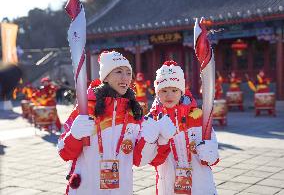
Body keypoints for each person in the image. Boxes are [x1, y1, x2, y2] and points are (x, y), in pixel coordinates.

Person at [57, 51, 176, 195]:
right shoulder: (86, 108)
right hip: (86, 189)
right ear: (105, 77)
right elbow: (64, 152)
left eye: (128, 73)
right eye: (119, 71)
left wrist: (158, 141)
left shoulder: (133, 112)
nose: (125, 77)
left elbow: (140, 159)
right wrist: (74, 135)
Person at [147, 60, 219, 195]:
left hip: (200, 184)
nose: (169, 95)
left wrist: (210, 152)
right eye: (164, 90)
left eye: (174, 90)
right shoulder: (153, 120)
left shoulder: (197, 117)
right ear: (157, 93)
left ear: (181, 91)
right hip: (169, 185)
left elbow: (213, 157)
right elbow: (152, 160)